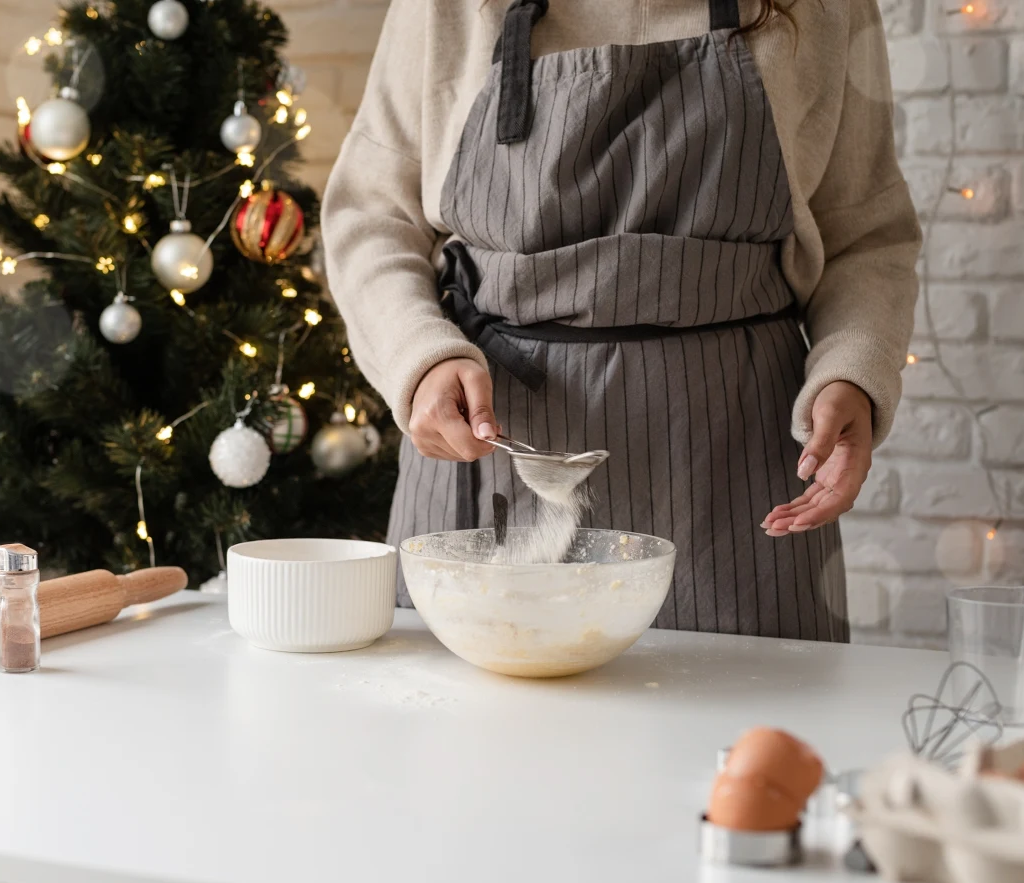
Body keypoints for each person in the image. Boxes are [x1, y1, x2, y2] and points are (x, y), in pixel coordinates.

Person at [321, 0, 921, 641]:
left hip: (734, 467)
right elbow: (371, 213)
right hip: (492, 448)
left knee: (744, 730)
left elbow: (866, 235)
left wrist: (851, 373)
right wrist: (421, 355)